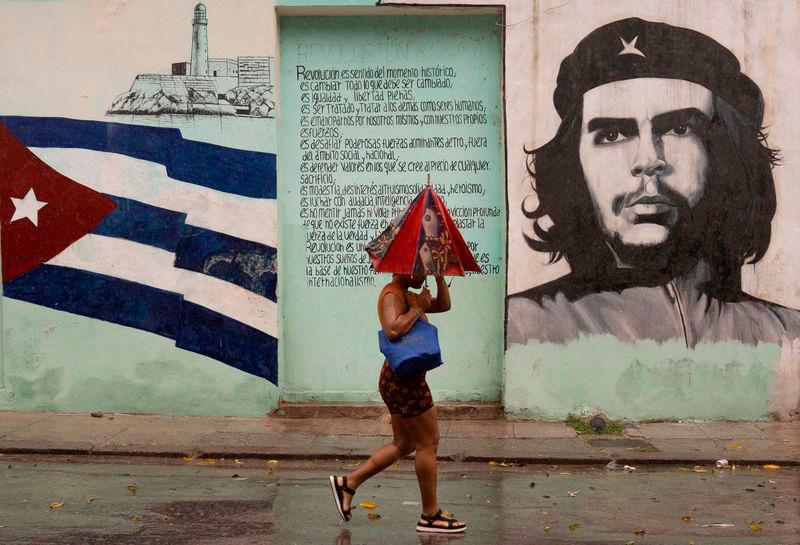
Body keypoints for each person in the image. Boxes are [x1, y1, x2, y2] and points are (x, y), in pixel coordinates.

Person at [507, 17, 800, 347]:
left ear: (726, 154)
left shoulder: (787, 337)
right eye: (613, 134)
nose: (647, 160)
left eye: (679, 129)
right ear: (574, 165)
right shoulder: (518, 331)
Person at [329, 273, 466, 534]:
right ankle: (430, 515)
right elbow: (392, 330)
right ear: (403, 268)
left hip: (400, 378)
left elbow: (444, 305)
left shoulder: (408, 293)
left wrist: (438, 277)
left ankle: (348, 483)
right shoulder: (392, 293)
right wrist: (417, 309)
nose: (422, 273)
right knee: (428, 442)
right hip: (405, 381)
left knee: (403, 443)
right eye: (420, 268)